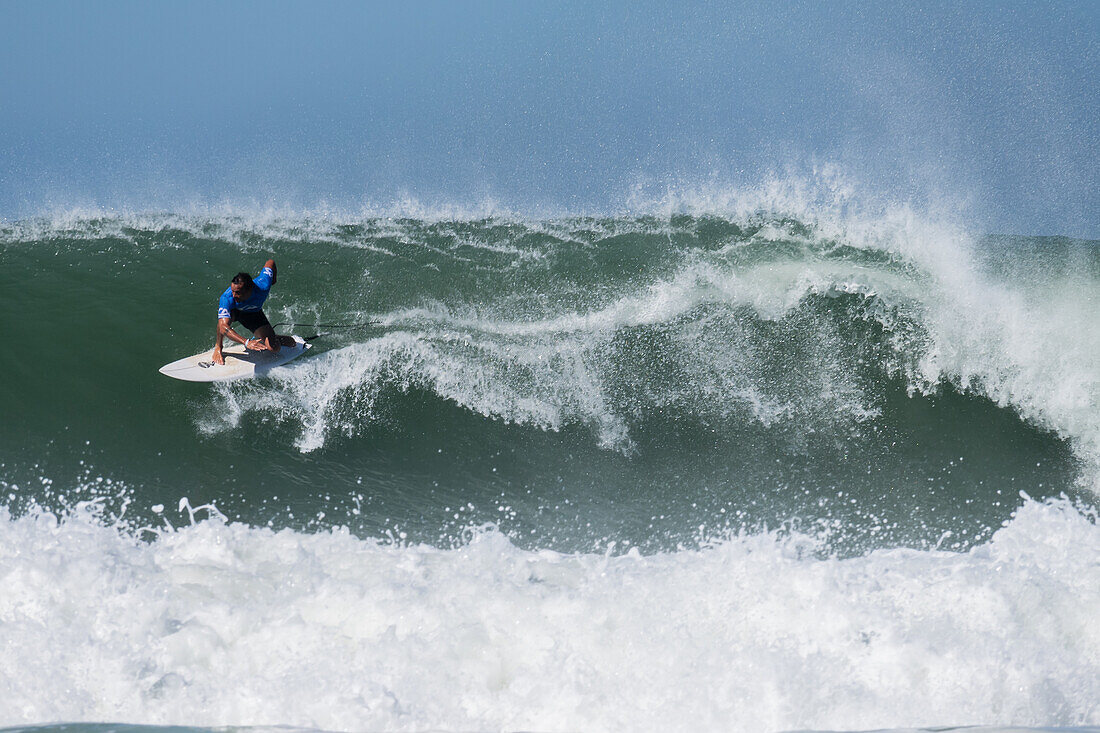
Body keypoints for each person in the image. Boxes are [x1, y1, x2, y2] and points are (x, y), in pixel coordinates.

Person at [212, 259, 296, 365]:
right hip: (235, 312)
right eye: (232, 291)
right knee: (223, 322)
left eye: (237, 293)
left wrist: (273, 279)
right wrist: (246, 342)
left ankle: (269, 338)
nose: (233, 295)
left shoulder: (263, 284)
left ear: (249, 289)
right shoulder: (227, 298)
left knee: (274, 348)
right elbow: (223, 327)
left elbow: (270, 262)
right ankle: (218, 347)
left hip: (253, 313)